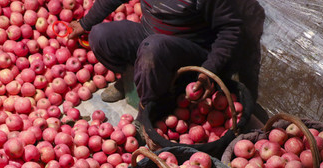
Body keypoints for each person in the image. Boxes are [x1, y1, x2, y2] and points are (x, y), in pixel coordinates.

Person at [68, 0, 243, 113]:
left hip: (188, 49)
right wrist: (85, 23)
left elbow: (230, 30)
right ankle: (131, 81)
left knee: (153, 49)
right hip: (148, 34)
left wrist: (208, 69)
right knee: (100, 35)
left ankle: (151, 109)